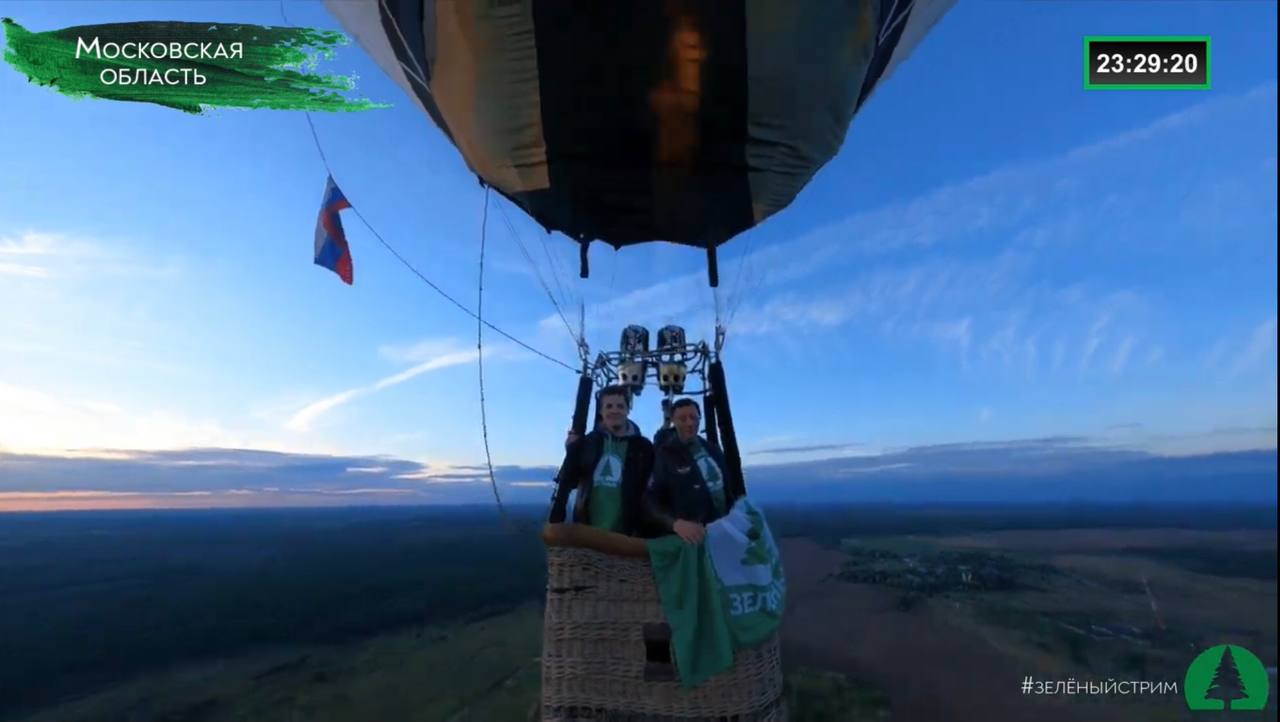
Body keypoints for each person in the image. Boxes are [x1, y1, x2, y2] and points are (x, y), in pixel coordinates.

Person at [548, 385, 655, 536]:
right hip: (588, 531)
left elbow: (651, 491)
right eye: (609, 406)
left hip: (628, 535)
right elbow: (570, 481)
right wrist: (570, 451)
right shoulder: (588, 443)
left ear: (628, 410)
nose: (614, 410)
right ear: (601, 411)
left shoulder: (643, 448)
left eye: (620, 406)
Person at [644, 397, 737, 544]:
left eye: (693, 417)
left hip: (720, 532)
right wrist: (675, 524)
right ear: (674, 421)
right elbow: (651, 500)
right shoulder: (666, 455)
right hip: (689, 539)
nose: (690, 423)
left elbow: (727, 488)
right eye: (682, 418)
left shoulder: (712, 449)